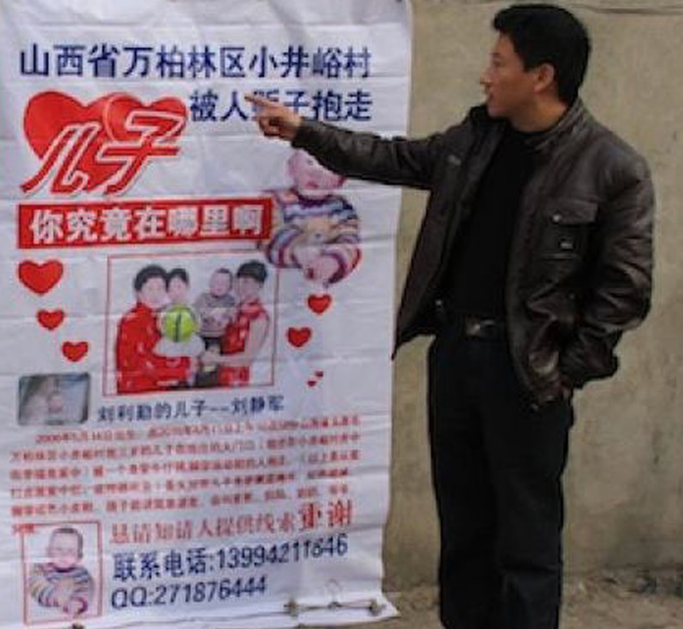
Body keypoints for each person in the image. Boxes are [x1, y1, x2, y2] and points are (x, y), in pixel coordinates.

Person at [248, 5, 653, 629]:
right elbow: (393, 158)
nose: (485, 75)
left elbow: (625, 289)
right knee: (465, 532)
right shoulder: (475, 140)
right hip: (458, 360)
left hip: (528, 374)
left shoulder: (610, 167)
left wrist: (565, 371)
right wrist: (304, 131)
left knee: (526, 540)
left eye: (498, 62)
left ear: (541, 76)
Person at [264, 150, 362, 286]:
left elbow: (350, 240)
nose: (316, 173)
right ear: (291, 167)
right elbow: (268, 232)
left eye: (328, 167)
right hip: (279, 283)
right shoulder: (275, 199)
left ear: (340, 181)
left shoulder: (341, 208)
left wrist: (333, 261)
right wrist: (298, 248)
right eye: (309, 162)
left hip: (320, 286)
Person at [115, 264, 192, 393]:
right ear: (138, 293)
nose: (156, 294)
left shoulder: (167, 316)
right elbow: (138, 361)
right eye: (150, 288)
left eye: (160, 288)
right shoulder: (131, 321)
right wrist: (170, 376)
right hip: (140, 390)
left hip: (169, 387)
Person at [202, 261, 271, 387]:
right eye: (238, 281)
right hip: (216, 375)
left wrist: (216, 359)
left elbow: (247, 359)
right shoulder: (235, 308)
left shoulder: (259, 317)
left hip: (235, 380)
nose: (240, 286)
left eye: (246, 282)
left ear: (259, 285)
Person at [26, 526, 94, 618]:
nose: (64, 554)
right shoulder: (41, 568)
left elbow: (87, 590)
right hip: (44, 611)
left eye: (70, 551)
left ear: (79, 556)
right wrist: (55, 595)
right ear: (48, 552)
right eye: (58, 549)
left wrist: (78, 602)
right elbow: (34, 584)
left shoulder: (81, 573)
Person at [192, 268, 237, 387]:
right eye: (217, 282)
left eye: (224, 283)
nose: (219, 286)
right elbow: (198, 312)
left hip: (219, 338)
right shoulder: (203, 297)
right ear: (210, 283)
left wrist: (226, 319)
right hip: (202, 336)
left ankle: (213, 382)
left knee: (214, 363)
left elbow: (232, 314)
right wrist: (212, 315)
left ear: (230, 287)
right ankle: (199, 382)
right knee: (200, 361)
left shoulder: (230, 300)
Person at [154, 268, 206, 361]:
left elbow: (197, 326)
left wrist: (187, 331)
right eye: (171, 289)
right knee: (165, 353)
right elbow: (161, 326)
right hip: (171, 341)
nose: (176, 292)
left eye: (179, 287)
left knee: (195, 351)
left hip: (189, 340)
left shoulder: (191, 309)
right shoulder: (166, 310)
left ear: (187, 286)